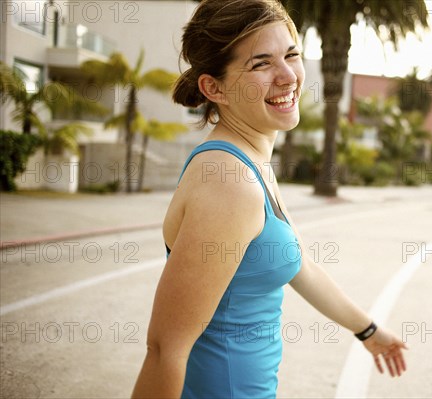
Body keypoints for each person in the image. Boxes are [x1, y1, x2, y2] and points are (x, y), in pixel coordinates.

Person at [131, 0, 407, 398]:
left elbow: (298, 264)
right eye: (260, 64)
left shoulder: (252, 164)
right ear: (214, 88)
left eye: (291, 55)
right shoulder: (230, 184)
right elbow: (164, 350)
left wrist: (367, 329)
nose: (287, 76)